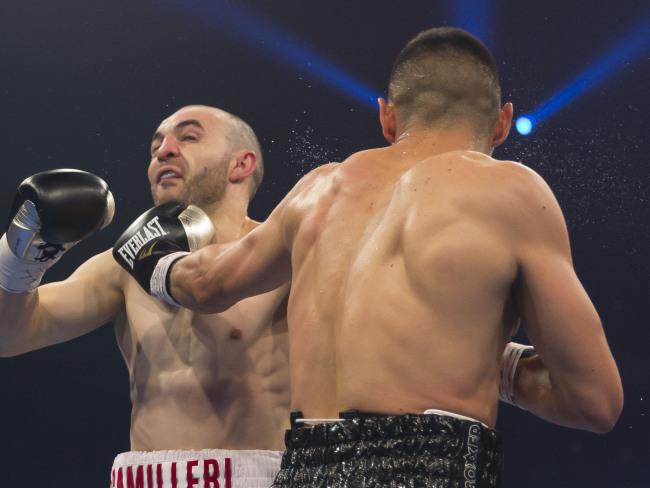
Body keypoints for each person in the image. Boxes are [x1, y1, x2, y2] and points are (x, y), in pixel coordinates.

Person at [123, 28, 624, 487]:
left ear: (387, 117)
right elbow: (595, 401)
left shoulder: (316, 191)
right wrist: (493, 359)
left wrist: (150, 256)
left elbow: (206, 284)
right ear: (502, 123)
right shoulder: (511, 190)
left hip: (304, 470)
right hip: (430, 468)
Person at [0, 105, 290, 488]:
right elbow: (11, 335)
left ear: (242, 164)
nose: (164, 151)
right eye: (156, 146)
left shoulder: (281, 256)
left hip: (254, 475)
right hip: (143, 476)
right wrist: (19, 258)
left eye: (188, 137)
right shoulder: (123, 266)